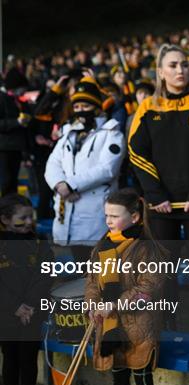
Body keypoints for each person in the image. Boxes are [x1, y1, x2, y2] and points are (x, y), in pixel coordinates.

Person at [128, 44, 189, 334]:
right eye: (172, 65)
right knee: (163, 272)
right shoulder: (148, 107)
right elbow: (136, 153)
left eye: (184, 64)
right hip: (161, 207)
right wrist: (156, 195)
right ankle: (167, 323)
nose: (180, 70)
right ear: (160, 72)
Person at [85, 188, 165, 385]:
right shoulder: (103, 246)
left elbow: (148, 288)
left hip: (139, 325)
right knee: (118, 380)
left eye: (114, 216)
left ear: (135, 217)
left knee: (143, 380)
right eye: (106, 216)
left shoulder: (146, 248)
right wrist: (92, 306)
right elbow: (92, 282)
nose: (108, 221)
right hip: (111, 326)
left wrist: (114, 304)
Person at [44, 76, 125, 263]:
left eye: (86, 106)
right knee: (80, 266)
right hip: (68, 207)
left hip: (96, 209)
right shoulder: (68, 133)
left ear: (97, 107)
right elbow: (53, 164)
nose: (81, 111)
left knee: (102, 268)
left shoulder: (112, 133)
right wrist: (60, 184)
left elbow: (107, 169)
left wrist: (71, 185)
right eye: (77, 107)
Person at [0, 194, 53, 385]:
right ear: (5, 220)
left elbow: (44, 276)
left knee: (28, 359)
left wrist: (30, 305)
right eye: (23, 218)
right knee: (10, 358)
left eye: (32, 217)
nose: (29, 222)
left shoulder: (40, 241)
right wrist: (15, 306)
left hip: (33, 312)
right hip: (6, 313)